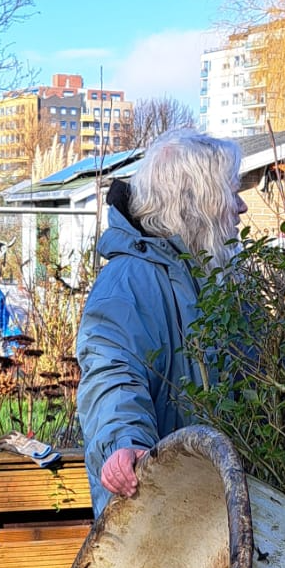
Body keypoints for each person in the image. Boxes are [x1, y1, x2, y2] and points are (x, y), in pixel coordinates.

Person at [76, 128, 247, 517]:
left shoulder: (224, 279)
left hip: (219, 514)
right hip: (158, 521)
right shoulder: (126, 284)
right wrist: (126, 444)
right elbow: (111, 374)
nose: (241, 207)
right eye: (231, 192)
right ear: (196, 201)